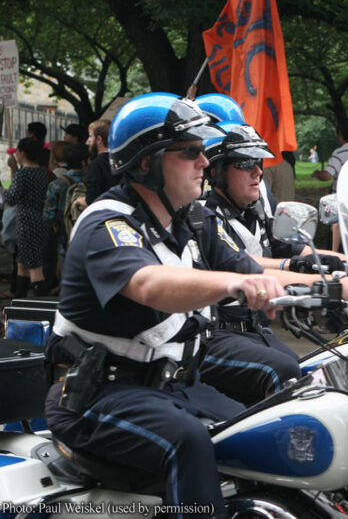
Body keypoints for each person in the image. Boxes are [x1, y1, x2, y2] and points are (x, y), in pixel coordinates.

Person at [43, 93, 283, 516]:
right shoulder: (108, 224)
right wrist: (235, 284)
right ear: (146, 163)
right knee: (187, 440)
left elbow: (258, 267)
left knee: (264, 431)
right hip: (99, 396)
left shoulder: (182, 220)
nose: (205, 163)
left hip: (170, 384)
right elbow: (150, 284)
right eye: (190, 152)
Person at [200, 121, 348, 405]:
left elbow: (298, 248)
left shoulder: (254, 213)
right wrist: (335, 285)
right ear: (216, 171)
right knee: (285, 371)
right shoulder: (206, 217)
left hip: (254, 329)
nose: (258, 171)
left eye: (258, 162)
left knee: (318, 370)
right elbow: (244, 264)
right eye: (246, 163)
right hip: (217, 332)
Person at [5, 137, 51, 297]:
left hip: (26, 222)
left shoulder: (23, 174)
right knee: (22, 262)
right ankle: (19, 296)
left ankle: (41, 301)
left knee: (33, 265)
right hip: (38, 219)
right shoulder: (42, 173)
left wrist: (3, 189)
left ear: (22, 153)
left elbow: (11, 199)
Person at [43, 143, 89, 288]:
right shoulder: (92, 182)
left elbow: (48, 215)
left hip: (64, 236)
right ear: (85, 162)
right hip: (88, 233)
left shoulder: (56, 185)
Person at [311, 118, 348, 251]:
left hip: (341, 202)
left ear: (340, 134)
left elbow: (327, 175)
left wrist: (316, 173)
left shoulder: (340, 152)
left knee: (337, 235)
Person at [83, 119, 119, 205]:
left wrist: (80, 201)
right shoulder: (121, 160)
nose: (88, 141)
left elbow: (92, 199)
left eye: (91, 136)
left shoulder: (97, 164)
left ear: (99, 139)